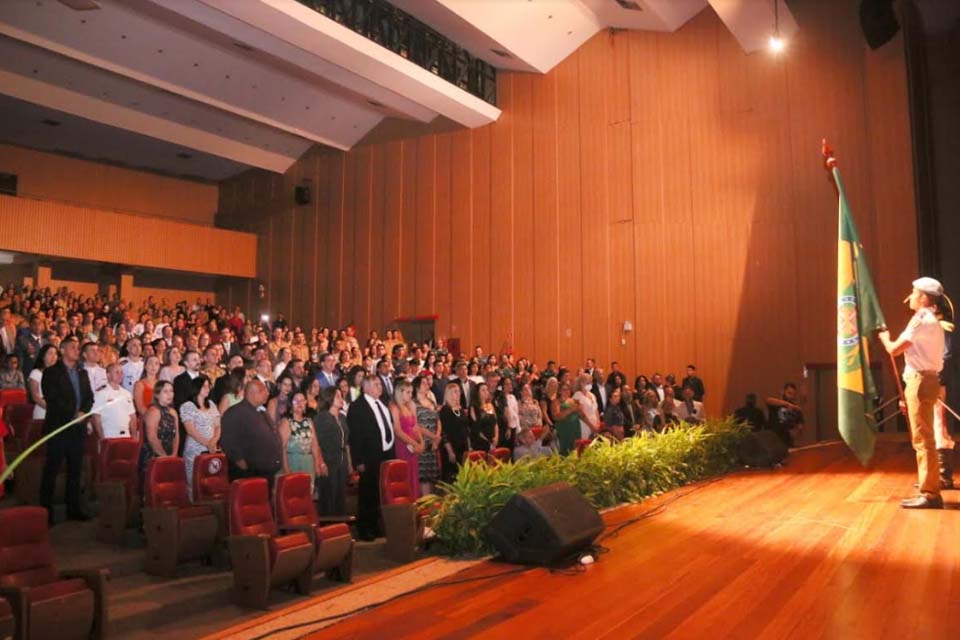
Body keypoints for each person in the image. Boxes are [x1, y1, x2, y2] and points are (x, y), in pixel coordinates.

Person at [879, 276, 947, 509]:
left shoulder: (920, 319)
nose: (910, 296)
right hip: (928, 380)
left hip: (920, 381)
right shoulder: (933, 320)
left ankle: (930, 494)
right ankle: (930, 485)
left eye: (914, 292)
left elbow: (895, 350)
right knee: (926, 437)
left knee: (922, 440)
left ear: (924, 297)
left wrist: (884, 337)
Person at [40, 336, 93, 524]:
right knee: (52, 470)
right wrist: (73, 414)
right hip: (59, 427)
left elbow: (89, 398)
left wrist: (83, 412)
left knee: (75, 471)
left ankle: (73, 508)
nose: (77, 350)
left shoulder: (82, 373)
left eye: (78, 347)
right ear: (62, 350)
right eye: (73, 347)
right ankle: (45, 513)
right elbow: (52, 399)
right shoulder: (51, 373)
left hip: (77, 429)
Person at [348, 375, 395, 541]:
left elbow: (387, 428)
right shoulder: (357, 407)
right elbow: (355, 436)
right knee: (367, 493)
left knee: (379, 493)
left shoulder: (381, 404)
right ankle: (365, 529)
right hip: (368, 457)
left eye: (380, 384)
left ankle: (376, 526)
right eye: (376, 384)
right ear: (365, 387)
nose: (380, 387)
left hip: (384, 455)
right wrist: (358, 460)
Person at [219, 380, 282, 487]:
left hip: (266, 470)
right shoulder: (235, 412)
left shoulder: (262, 412)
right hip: (249, 473)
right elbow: (228, 441)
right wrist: (241, 462)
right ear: (252, 393)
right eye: (263, 391)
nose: (267, 393)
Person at [180, 375, 221, 500]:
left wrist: (213, 442)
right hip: (195, 449)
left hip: (212, 448)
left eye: (209, 386)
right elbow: (190, 430)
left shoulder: (212, 404)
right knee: (194, 481)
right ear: (196, 388)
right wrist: (207, 443)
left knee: (210, 481)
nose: (207, 389)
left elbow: (218, 426)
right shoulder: (187, 406)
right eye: (204, 386)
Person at [279, 391, 326, 493]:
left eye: (302, 400)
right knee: (293, 496)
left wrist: (318, 463)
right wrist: (286, 470)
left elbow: (314, 445)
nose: (300, 403)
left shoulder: (309, 421)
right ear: (290, 404)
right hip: (293, 462)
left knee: (307, 496)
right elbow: (282, 448)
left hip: (309, 463)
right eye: (296, 400)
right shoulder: (286, 422)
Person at [139, 380, 180, 496]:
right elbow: (152, 438)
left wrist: (174, 454)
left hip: (169, 454)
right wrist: (164, 457)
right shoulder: (153, 411)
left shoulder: (173, 412)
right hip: (153, 456)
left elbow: (176, 435)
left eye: (171, 391)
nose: (170, 394)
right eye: (165, 391)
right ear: (157, 395)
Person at [315, 387, 351, 516]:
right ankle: (328, 527)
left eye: (342, 396)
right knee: (329, 495)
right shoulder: (322, 417)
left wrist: (349, 465)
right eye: (338, 396)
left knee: (340, 495)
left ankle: (340, 526)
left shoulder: (341, 417)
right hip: (328, 460)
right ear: (329, 398)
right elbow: (316, 443)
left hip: (341, 461)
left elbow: (346, 442)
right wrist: (321, 462)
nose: (341, 399)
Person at [390, 379, 423, 499]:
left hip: (413, 445)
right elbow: (397, 431)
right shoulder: (394, 407)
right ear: (400, 392)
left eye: (411, 392)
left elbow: (416, 426)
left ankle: (415, 502)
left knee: (414, 474)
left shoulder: (410, 406)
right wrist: (415, 443)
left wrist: (421, 443)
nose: (411, 395)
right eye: (408, 392)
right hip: (403, 445)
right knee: (406, 475)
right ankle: (406, 505)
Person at [91, 363, 138, 444]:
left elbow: (132, 417)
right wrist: (102, 438)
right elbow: (96, 417)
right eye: (116, 372)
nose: (120, 375)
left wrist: (134, 437)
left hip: (126, 435)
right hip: (109, 435)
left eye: (121, 372)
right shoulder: (101, 393)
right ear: (108, 375)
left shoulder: (126, 393)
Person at [414, 375, 441, 496]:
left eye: (427, 383)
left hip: (434, 443)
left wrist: (437, 437)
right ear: (417, 387)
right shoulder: (413, 403)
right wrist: (433, 436)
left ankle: (430, 504)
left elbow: (438, 420)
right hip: (422, 442)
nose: (427, 385)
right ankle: (426, 507)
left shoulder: (431, 401)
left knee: (431, 477)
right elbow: (417, 425)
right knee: (423, 477)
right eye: (424, 383)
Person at [439, 382, 469, 483]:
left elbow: (466, 428)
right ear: (449, 394)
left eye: (458, 392)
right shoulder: (445, 410)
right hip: (451, 447)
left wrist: (469, 445)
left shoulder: (460, 409)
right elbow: (444, 432)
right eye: (455, 392)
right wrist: (450, 451)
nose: (458, 394)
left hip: (462, 446)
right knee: (451, 477)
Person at [766, 383, 804, 447]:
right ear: (783, 392)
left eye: (793, 394)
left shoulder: (795, 409)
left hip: (787, 443)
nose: (791, 396)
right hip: (773, 443)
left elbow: (800, 425)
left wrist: (797, 432)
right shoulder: (777, 404)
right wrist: (788, 404)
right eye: (789, 393)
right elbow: (768, 400)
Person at [28, 345, 58, 423]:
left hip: (59, 413)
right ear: (43, 356)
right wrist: (52, 409)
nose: (53, 356)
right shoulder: (36, 373)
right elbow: (35, 397)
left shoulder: (60, 373)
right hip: (43, 412)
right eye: (50, 353)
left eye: (55, 354)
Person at [552, 381, 582, 455]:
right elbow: (556, 417)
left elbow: (581, 415)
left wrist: (580, 409)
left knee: (575, 451)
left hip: (575, 429)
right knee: (564, 452)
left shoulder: (574, 401)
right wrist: (570, 409)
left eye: (568, 389)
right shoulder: (556, 402)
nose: (566, 391)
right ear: (559, 391)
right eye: (564, 389)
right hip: (564, 430)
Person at [469, 383, 498, 453]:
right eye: (483, 390)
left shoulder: (490, 405)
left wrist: (496, 437)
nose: (486, 392)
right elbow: (476, 429)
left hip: (493, 441)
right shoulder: (474, 408)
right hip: (480, 442)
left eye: (486, 390)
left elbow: (495, 423)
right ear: (477, 393)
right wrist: (489, 441)